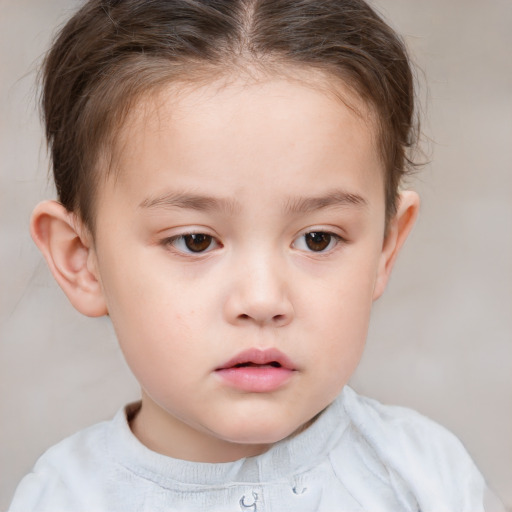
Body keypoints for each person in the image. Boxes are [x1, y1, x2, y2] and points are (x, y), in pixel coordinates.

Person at [8, 0, 505, 510]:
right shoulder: (59, 499)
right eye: (195, 240)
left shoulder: (430, 479)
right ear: (80, 259)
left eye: (318, 239)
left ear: (385, 246)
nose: (263, 299)